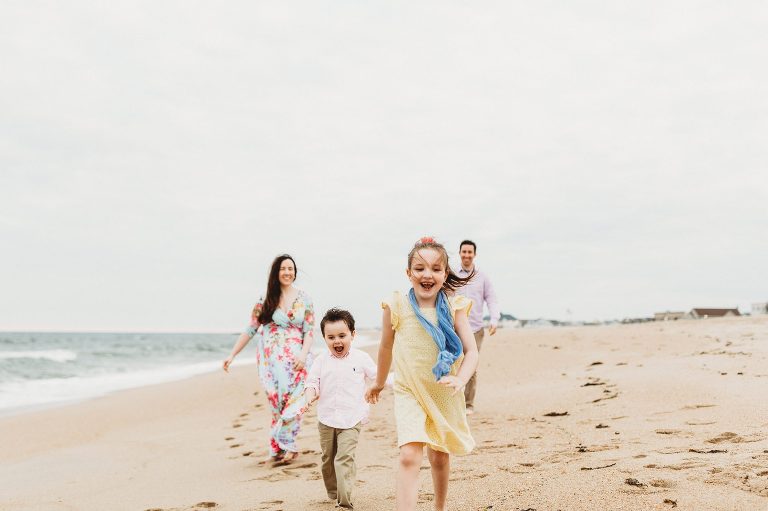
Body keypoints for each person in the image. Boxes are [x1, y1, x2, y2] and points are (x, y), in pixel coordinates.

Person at [366, 237, 479, 511]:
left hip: (444, 392)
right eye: (419, 268)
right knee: (408, 455)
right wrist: (379, 383)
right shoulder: (396, 306)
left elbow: (472, 352)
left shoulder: (455, 308)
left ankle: (439, 507)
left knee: (439, 456)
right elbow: (385, 347)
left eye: (436, 268)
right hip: (409, 391)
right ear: (409, 273)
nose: (427, 274)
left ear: (444, 274)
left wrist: (460, 379)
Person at [223, 254, 314, 463]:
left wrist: (303, 354)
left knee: (296, 401)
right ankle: (278, 448)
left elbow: (309, 331)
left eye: (291, 269)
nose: (287, 272)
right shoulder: (265, 299)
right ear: (276, 272)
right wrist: (232, 354)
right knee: (277, 403)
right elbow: (251, 329)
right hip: (271, 362)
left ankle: (289, 445)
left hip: (297, 360)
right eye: (283, 269)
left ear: (295, 272)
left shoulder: (304, 298)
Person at [305, 308, 377, 509]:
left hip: (352, 418)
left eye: (342, 336)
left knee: (344, 458)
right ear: (324, 338)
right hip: (326, 418)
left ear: (353, 335)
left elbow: (377, 377)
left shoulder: (361, 358)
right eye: (331, 337)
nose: (337, 341)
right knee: (328, 459)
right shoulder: (321, 360)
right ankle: (333, 491)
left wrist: (394, 382)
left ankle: (344, 501)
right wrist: (310, 395)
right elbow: (311, 382)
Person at [455, 239, 500, 415]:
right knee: (454, 364)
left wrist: (494, 319)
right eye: (464, 252)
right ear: (460, 253)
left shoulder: (482, 277)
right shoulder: (451, 274)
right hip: (454, 328)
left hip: (475, 328)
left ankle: (468, 404)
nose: (467, 255)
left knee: (471, 364)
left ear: (474, 254)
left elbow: (492, 298)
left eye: (470, 252)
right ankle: (453, 401)